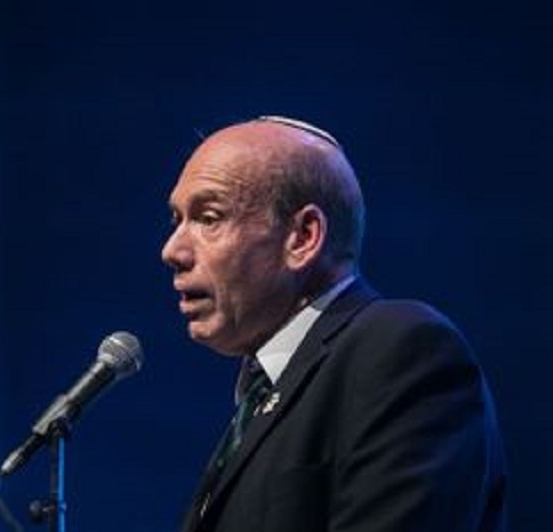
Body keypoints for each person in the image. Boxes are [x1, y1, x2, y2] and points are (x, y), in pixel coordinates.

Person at [161, 116, 507, 532]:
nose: (172, 250)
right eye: (176, 220)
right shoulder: (262, 396)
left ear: (303, 237)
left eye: (209, 218)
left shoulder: (400, 348)